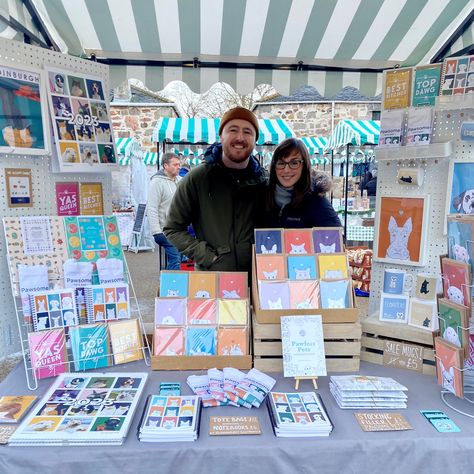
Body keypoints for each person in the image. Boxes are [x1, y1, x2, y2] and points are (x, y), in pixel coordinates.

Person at [164, 106, 267, 273]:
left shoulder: (264, 183)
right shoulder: (198, 178)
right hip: (214, 283)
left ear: (255, 139)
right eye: (233, 130)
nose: (240, 137)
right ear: (221, 135)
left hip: (258, 282)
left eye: (248, 132)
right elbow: (173, 228)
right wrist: (206, 256)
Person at [259, 138, 341, 228]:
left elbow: (335, 238)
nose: (286, 170)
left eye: (294, 163)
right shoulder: (261, 197)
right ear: (274, 166)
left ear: (304, 166)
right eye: (281, 163)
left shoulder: (316, 200)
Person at [148, 152, 182, 270]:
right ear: (165, 166)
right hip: (164, 230)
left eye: (179, 164)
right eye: (175, 164)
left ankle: (168, 283)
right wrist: (156, 232)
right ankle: (172, 286)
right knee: (176, 258)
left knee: (180, 257)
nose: (179, 167)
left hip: (178, 229)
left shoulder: (179, 181)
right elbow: (152, 208)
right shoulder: (156, 182)